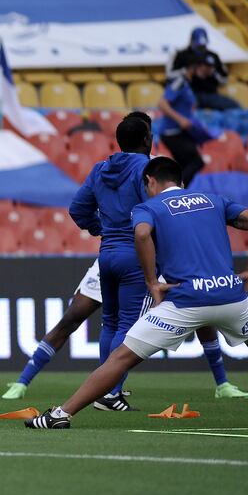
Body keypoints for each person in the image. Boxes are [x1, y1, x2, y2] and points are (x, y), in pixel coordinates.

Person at [26, 156, 248, 429]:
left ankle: (60, 415)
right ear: (181, 181)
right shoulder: (213, 199)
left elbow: (143, 234)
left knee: (120, 358)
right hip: (232, 297)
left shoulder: (148, 207)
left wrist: (152, 282)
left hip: (186, 301)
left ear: (150, 181)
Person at [2, 260, 248, 400]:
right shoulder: (115, 178)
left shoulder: (161, 195)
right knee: (73, 317)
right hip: (112, 259)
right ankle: (23, 382)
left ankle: (222, 384)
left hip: (153, 263)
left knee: (200, 308)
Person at [66, 113, 155, 411]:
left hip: (108, 254)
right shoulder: (147, 168)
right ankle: (110, 391)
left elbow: (78, 208)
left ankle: (104, 389)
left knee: (111, 322)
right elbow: (156, 209)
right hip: (135, 254)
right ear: (146, 139)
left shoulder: (100, 168)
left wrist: (99, 228)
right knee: (128, 326)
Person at [158, 52, 212, 188]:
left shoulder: (188, 85)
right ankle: (177, 192)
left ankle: (176, 193)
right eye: (203, 66)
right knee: (196, 161)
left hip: (181, 132)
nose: (207, 70)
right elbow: (162, 103)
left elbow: (188, 108)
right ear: (193, 67)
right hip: (172, 132)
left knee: (183, 167)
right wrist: (181, 119)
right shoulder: (180, 82)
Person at [167, 27, 238, 111]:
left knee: (234, 106)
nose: (201, 48)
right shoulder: (181, 55)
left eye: (203, 46)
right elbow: (170, 75)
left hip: (210, 94)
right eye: (198, 45)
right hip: (189, 93)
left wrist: (212, 72)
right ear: (191, 41)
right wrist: (188, 71)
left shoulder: (213, 56)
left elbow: (224, 79)